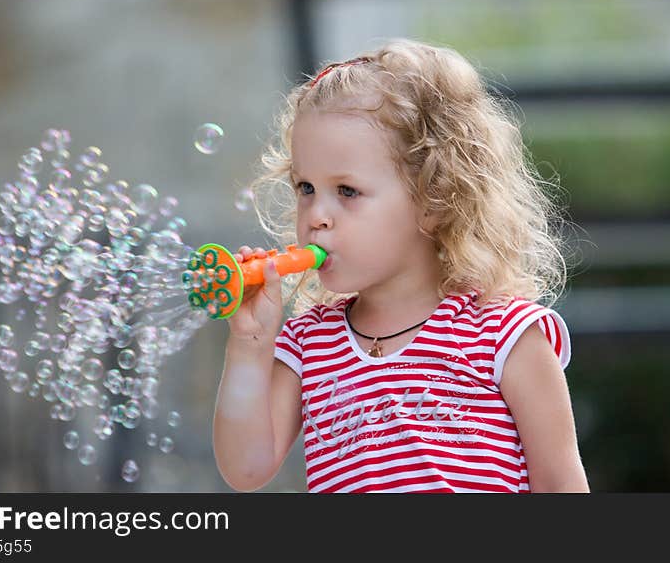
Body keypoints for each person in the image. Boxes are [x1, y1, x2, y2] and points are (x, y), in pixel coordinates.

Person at [212, 38, 589, 493]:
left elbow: (560, 483)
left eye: (347, 191)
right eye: (305, 188)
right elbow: (245, 469)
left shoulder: (503, 334)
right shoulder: (310, 342)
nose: (316, 216)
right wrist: (250, 346)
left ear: (433, 200)